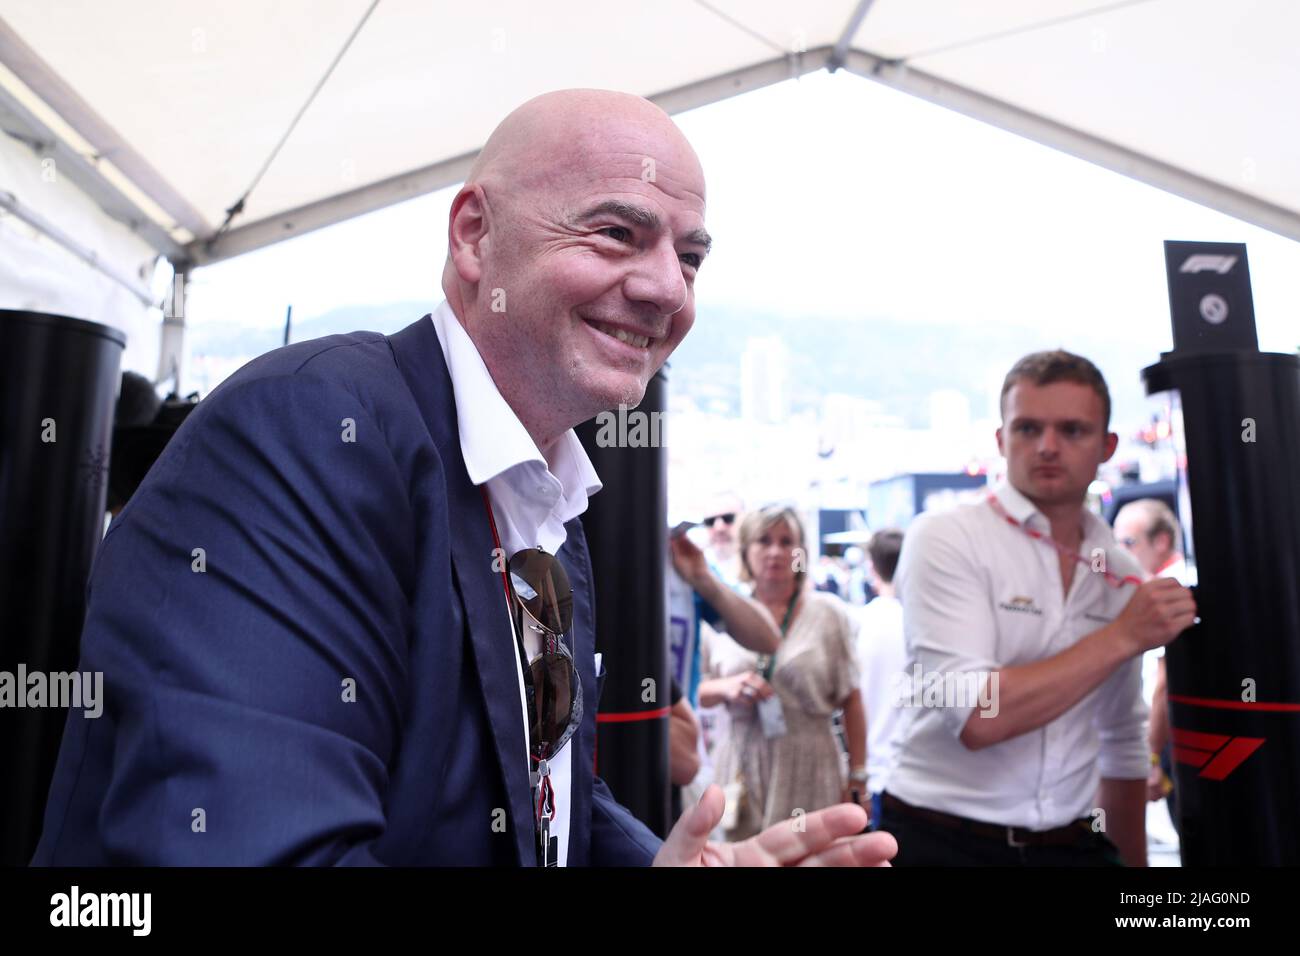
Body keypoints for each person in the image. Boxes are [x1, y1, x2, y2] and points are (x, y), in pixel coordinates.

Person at [32, 89, 894, 869]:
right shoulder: (307, 431)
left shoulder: (547, 494)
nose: (668, 288)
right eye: (616, 232)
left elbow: (546, 788)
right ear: (474, 235)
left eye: (692, 256)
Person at [880, 350, 1196, 866]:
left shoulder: (1119, 573)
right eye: (1028, 428)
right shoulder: (946, 537)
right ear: (1002, 440)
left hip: (1070, 843)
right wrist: (1122, 635)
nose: (1048, 447)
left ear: (1107, 446)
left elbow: (1121, 743)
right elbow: (977, 716)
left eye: (1072, 430)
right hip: (939, 840)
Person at [698, 505, 868, 840]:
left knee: (807, 856)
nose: (776, 551)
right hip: (740, 762)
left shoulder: (828, 614)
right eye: (764, 540)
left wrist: (859, 776)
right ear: (746, 550)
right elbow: (694, 692)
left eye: (786, 541)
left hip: (810, 763)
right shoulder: (722, 614)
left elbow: (852, 699)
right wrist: (727, 687)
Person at [1113, 498, 1187, 822]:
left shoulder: (1170, 591)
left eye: (1128, 542)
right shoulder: (1159, 588)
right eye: (1114, 542)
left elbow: (1164, 685)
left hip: (1175, 744)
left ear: (1161, 542)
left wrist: (1152, 758)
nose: (1119, 552)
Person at [854, 528, 907, 828]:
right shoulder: (922, 624)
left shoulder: (858, 623)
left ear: (871, 567)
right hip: (909, 779)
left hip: (871, 773)